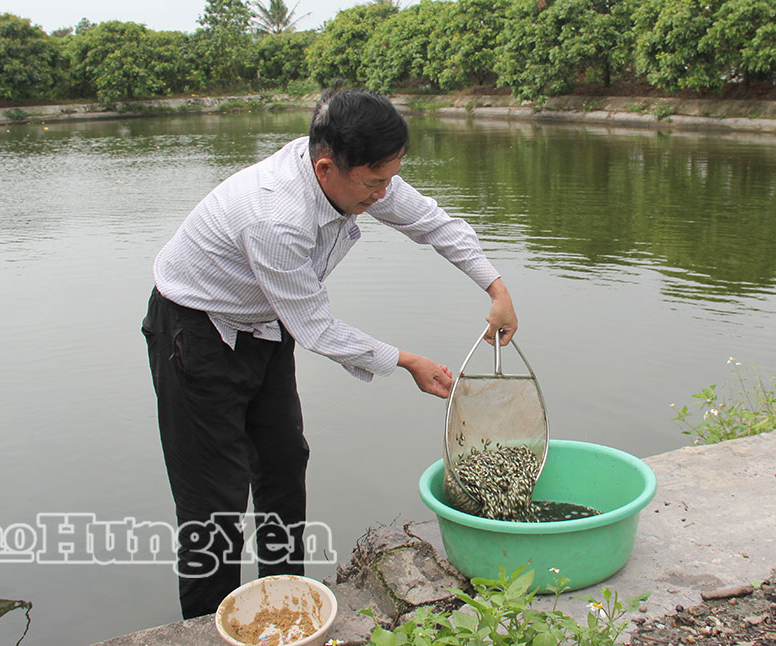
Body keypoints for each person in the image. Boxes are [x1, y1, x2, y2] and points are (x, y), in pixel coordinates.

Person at [141, 88, 518, 618]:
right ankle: (208, 627)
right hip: (195, 335)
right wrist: (406, 361)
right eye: (373, 183)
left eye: (390, 179)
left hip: (265, 327)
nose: (383, 194)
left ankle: (286, 607)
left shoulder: (360, 173)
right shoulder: (275, 215)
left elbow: (433, 222)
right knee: (213, 503)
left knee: (283, 466)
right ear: (325, 168)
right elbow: (316, 327)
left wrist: (495, 287)